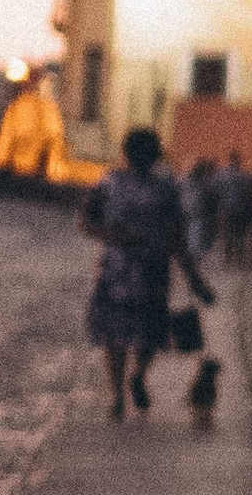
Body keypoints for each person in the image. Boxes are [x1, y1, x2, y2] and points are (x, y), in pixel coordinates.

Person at [83, 128, 214, 419]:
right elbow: (178, 236)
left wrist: (111, 235)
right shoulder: (166, 189)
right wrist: (195, 279)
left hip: (116, 270)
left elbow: (86, 220)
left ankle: (117, 396)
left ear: (125, 152)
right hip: (152, 268)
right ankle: (139, 374)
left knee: (114, 336)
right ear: (157, 154)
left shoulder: (109, 183)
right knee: (150, 330)